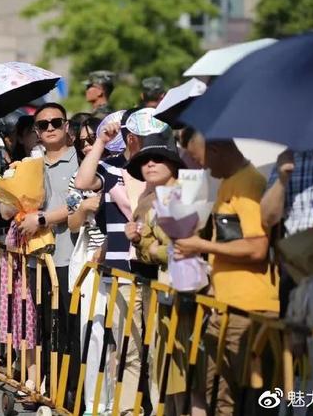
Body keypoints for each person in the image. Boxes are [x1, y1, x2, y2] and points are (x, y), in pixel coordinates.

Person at [74, 107, 169, 414]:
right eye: (138, 136)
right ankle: (127, 409)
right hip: (121, 272)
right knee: (128, 346)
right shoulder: (113, 168)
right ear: (128, 138)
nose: (141, 142)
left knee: (157, 347)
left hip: (156, 269)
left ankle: (157, 408)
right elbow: (82, 181)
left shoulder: (165, 171)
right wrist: (100, 142)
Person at [173, 140, 278, 415]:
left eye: (200, 158)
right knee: (217, 392)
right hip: (223, 308)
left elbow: (257, 247)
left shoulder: (249, 184)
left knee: (251, 396)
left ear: (216, 149)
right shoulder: (229, 183)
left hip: (249, 311)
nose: (202, 166)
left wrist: (202, 246)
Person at [127, 133, 208, 416]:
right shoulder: (148, 200)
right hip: (164, 288)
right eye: (144, 160)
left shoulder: (190, 190)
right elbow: (149, 251)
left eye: (157, 158)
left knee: (191, 369)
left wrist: (153, 245)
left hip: (193, 290)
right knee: (167, 365)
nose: (149, 164)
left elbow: (185, 246)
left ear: (173, 162)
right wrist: (141, 242)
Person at [19, 102, 78, 395]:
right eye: (43, 125)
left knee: (69, 327)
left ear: (67, 126)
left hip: (70, 256)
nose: (51, 128)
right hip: (38, 258)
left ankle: (69, 394)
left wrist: (42, 218)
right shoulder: (31, 163)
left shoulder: (81, 160)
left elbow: (80, 202)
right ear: (36, 132)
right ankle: (45, 387)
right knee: (43, 326)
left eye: (56, 122)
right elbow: (11, 208)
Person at [260, 150, 313, 315]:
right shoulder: (286, 160)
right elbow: (267, 218)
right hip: (296, 267)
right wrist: (281, 180)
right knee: (292, 334)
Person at [66, 116, 108, 414]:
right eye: (83, 142)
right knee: (93, 333)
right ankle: (96, 405)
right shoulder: (79, 179)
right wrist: (83, 207)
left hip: (125, 260)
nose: (88, 144)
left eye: (93, 138)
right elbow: (71, 222)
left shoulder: (124, 170)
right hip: (91, 264)